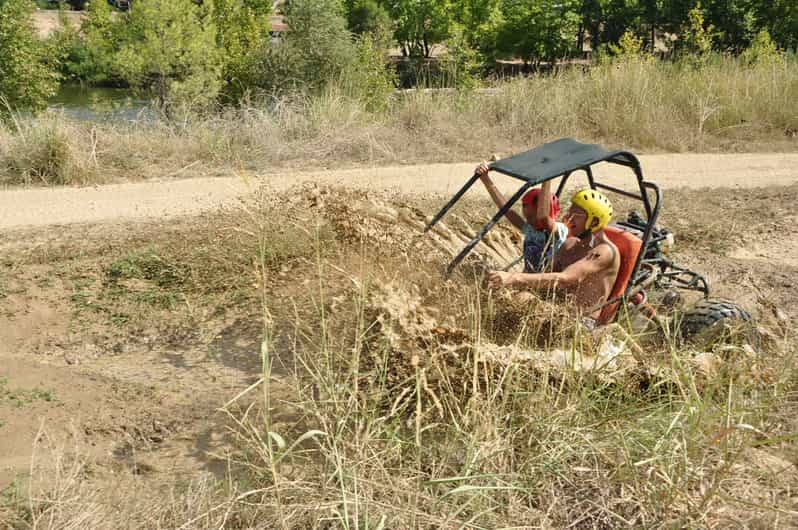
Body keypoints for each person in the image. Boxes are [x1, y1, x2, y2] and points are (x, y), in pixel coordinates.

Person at [486, 187, 621, 320]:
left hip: (581, 323)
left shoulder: (605, 251)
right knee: (505, 295)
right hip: (556, 311)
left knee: (523, 298)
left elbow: (565, 278)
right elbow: (545, 277)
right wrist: (507, 286)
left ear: (594, 221)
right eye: (569, 212)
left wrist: (513, 278)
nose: (567, 217)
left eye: (575, 215)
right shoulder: (571, 244)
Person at [475, 162, 568, 273]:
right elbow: (506, 210)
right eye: (527, 217)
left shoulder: (559, 231)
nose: (530, 221)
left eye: (532, 217)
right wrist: (486, 179)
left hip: (546, 283)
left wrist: (546, 178)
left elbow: (543, 217)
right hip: (528, 281)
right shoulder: (531, 229)